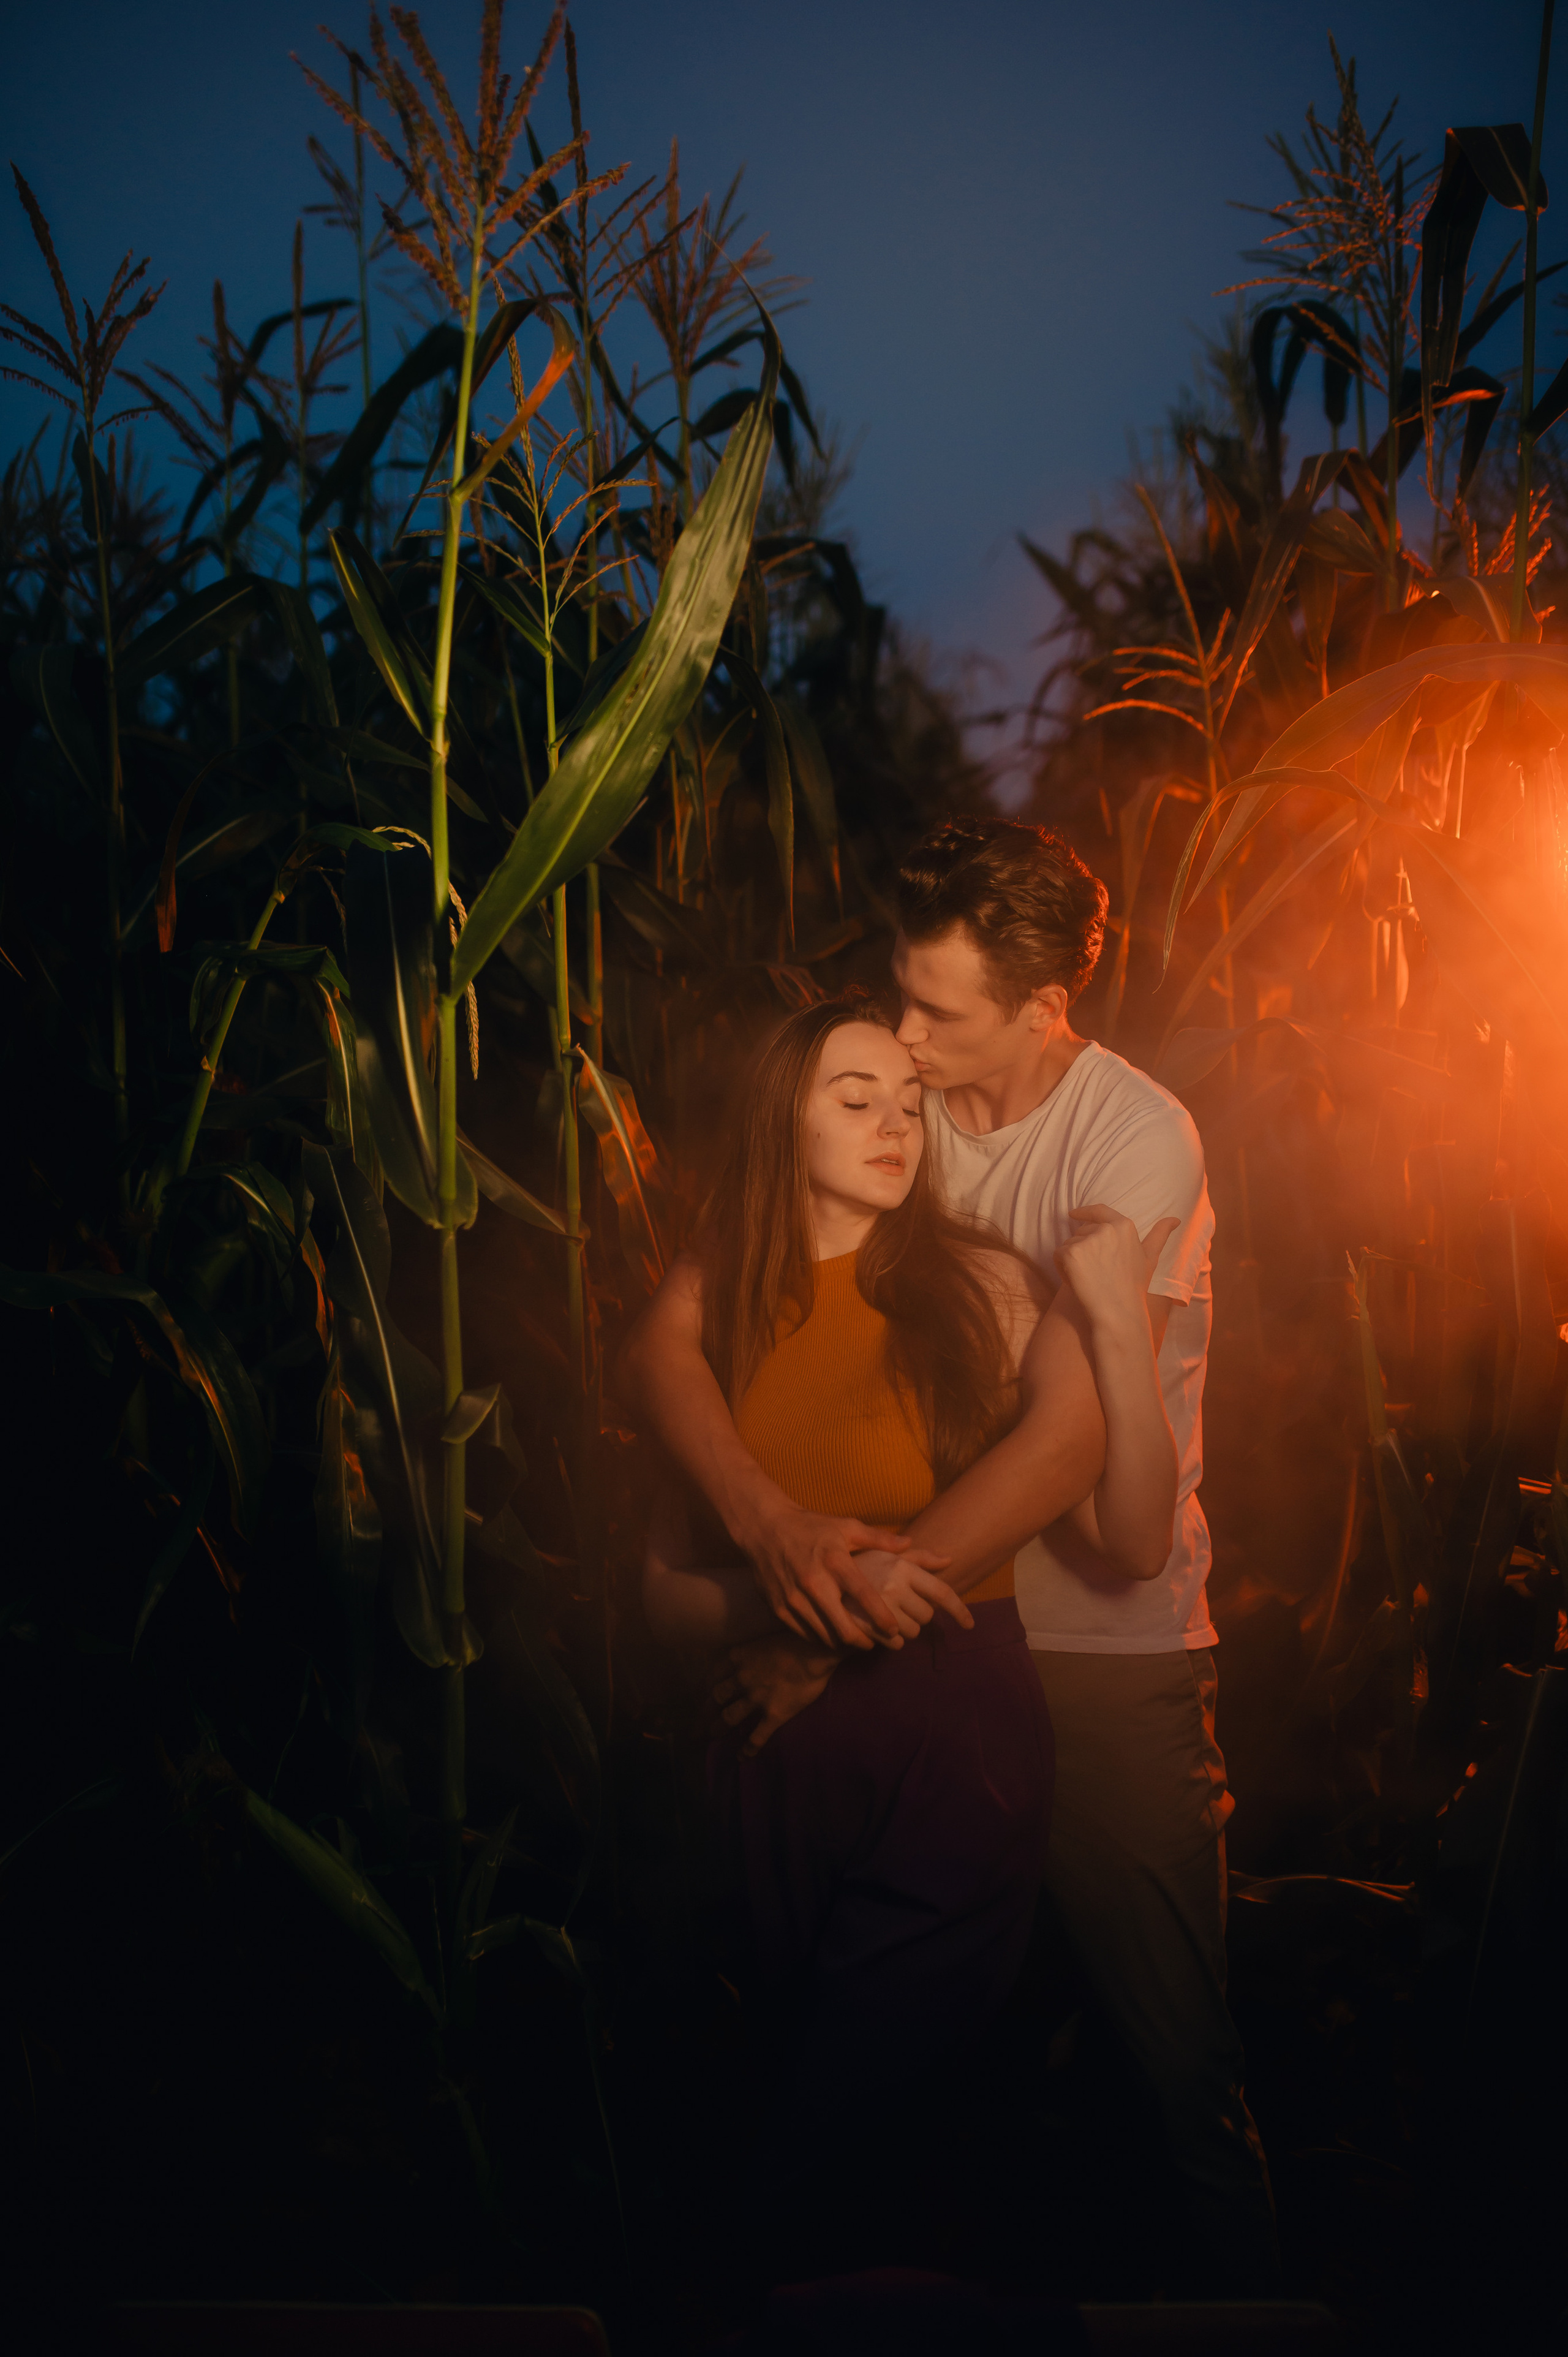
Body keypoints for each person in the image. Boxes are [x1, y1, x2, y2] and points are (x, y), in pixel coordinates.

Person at [620, 817, 1279, 2295]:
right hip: (937, 1647)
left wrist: (828, 1619)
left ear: (1041, 1013)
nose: (904, 1042)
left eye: (936, 1014)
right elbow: (671, 1336)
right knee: (927, 2088)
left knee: (1168, 2072)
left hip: (1103, 1655)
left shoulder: (1129, 1141)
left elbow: (1063, 1453)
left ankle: (1248, 2314)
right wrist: (775, 1533)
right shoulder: (886, 1114)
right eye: (893, 998)